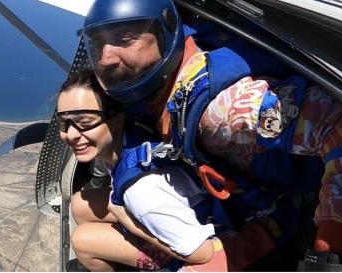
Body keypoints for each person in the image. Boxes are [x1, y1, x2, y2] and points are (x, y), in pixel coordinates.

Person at [81, 0, 342, 270]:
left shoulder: (223, 112)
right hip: (238, 207)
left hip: (280, 223)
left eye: (125, 39)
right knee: (84, 208)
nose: (108, 57)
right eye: (100, 44)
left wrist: (331, 255)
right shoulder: (167, 86)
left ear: (165, 31)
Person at [57, 70, 229, 271]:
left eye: (85, 123)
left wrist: (130, 223)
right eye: (64, 122)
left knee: (82, 241)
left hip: (189, 233)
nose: (71, 134)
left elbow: (203, 252)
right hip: (176, 203)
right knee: (79, 203)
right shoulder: (126, 132)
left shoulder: (141, 192)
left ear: (117, 119)